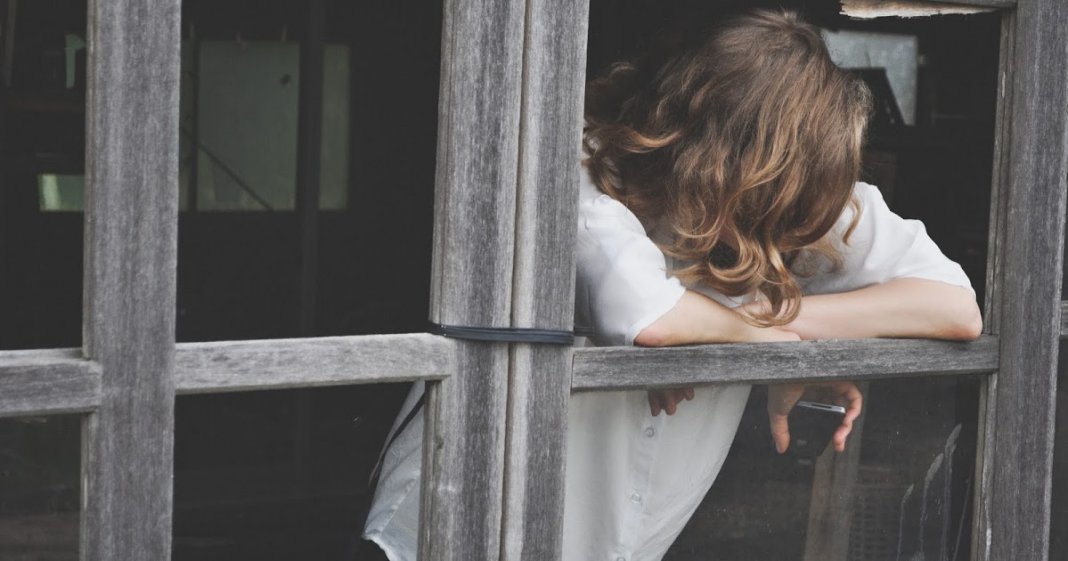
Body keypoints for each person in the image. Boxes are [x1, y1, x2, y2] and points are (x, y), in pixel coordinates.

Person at [362, 9, 982, 561]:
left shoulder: (807, 191)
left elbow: (954, 307)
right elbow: (649, 319)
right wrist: (775, 351)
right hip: (460, 518)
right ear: (719, 154)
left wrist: (777, 329)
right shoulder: (581, 164)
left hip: (633, 532)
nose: (775, 222)